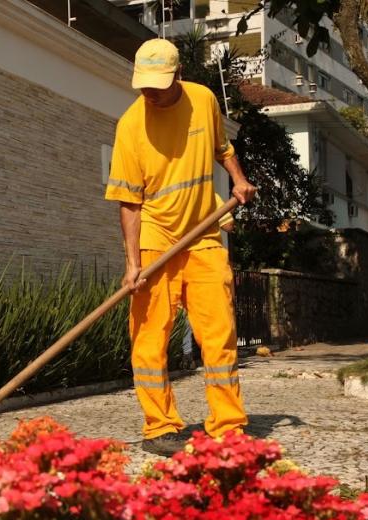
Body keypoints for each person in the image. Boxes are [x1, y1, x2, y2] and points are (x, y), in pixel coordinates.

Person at [105, 38, 256, 457]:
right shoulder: (130, 126)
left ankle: (228, 426)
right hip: (155, 237)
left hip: (204, 231)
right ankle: (160, 426)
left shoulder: (204, 100)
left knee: (219, 334)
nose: (149, 93)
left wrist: (238, 179)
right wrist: (132, 264)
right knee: (150, 338)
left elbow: (222, 148)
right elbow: (129, 203)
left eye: (158, 84)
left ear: (180, 76)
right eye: (144, 86)